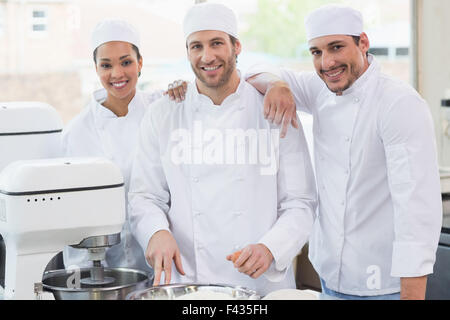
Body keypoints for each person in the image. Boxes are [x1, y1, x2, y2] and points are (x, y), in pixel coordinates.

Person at [241, 5, 442, 300]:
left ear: (363, 43)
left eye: (336, 47)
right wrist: (278, 84)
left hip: (385, 285)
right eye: (316, 52)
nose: (327, 62)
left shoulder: (399, 104)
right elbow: (251, 71)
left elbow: (417, 213)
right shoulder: (319, 89)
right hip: (330, 277)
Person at [128, 2, 317, 296]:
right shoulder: (163, 114)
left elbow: (301, 202)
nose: (207, 56)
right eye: (196, 46)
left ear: (236, 46)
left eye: (217, 43)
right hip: (189, 281)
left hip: (260, 282)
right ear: (187, 51)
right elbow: (144, 196)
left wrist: (271, 247)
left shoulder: (274, 110)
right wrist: (156, 231)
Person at [61, 19, 181, 272]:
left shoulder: (163, 110)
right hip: (103, 268)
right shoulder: (77, 132)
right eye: (106, 65)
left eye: (126, 62)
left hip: (165, 260)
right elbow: (73, 213)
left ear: (140, 64)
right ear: (95, 69)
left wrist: (186, 90)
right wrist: (84, 277)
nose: (117, 74)